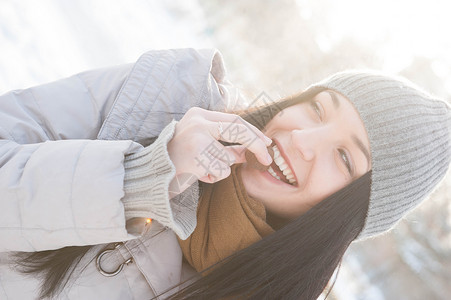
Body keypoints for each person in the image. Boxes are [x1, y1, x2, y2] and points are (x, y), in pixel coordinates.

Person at [0, 48, 449, 300]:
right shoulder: (164, 98)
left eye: (345, 158)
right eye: (316, 108)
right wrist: (142, 177)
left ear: (349, 218)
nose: (303, 140)